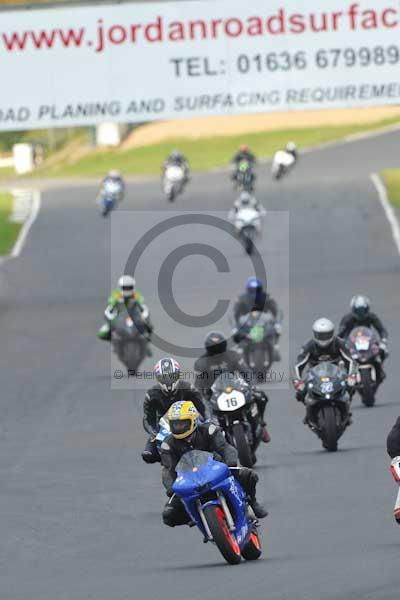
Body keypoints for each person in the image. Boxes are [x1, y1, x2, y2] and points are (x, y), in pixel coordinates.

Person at [160, 401, 268, 527]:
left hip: (217, 472)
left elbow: (225, 448)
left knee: (249, 475)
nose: (179, 428)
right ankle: (193, 516)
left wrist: (230, 462)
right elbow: (168, 469)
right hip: (190, 481)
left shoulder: (209, 430)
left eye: (183, 423)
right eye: (175, 424)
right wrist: (171, 488)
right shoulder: (168, 444)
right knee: (168, 515)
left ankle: (252, 503)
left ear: (193, 420)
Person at [194, 331, 270, 443]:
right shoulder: (201, 363)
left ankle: (261, 424)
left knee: (261, 397)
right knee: (202, 416)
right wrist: (202, 396)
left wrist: (251, 385)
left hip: (235, 388)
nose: (216, 351)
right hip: (214, 394)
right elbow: (199, 383)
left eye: (219, 347)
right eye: (213, 348)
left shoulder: (233, 355)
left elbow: (246, 372)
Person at [141, 357, 208, 464]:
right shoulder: (152, 394)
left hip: (188, 419)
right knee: (148, 455)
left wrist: (208, 420)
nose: (168, 380)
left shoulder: (187, 387)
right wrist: (153, 431)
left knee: (212, 432)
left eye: (172, 376)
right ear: (158, 378)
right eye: (165, 377)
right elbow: (147, 418)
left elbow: (202, 405)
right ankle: (167, 461)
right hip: (166, 424)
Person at [293, 318, 355, 403]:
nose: (323, 339)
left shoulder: (339, 343)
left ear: (332, 333)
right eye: (320, 335)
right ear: (315, 334)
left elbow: (351, 360)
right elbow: (298, 365)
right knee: (300, 393)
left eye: (326, 335)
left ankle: (345, 408)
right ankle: (310, 413)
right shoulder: (308, 345)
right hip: (315, 376)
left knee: (351, 386)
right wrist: (297, 381)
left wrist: (352, 375)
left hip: (337, 374)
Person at [339, 295, 388, 382]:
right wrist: (342, 342)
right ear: (353, 309)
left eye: (363, 311)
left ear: (367, 309)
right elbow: (340, 333)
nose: (361, 313)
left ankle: (379, 370)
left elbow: (382, 330)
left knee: (383, 351)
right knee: (342, 356)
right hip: (351, 342)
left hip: (369, 341)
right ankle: (346, 374)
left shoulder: (372, 317)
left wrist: (383, 341)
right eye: (358, 311)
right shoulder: (347, 319)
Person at [233, 277, 281, 359]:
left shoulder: (267, 297)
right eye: (252, 290)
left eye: (257, 290)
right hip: (247, 324)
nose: (254, 293)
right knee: (235, 332)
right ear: (248, 290)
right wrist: (236, 324)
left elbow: (275, 310)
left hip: (264, 323)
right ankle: (239, 349)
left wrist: (276, 321)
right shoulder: (241, 299)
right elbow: (235, 313)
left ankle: (275, 347)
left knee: (277, 329)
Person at [97, 275, 152, 344]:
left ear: (133, 287)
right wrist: (110, 317)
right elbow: (110, 306)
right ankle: (113, 336)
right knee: (103, 332)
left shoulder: (136, 295)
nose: (127, 289)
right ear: (121, 287)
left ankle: (144, 337)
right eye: (125, 287)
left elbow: (142, 306)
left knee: (147, 327)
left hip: (134, 315)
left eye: (129, 287)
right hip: (119, 315)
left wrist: (144, 316)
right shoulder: (115, 294)